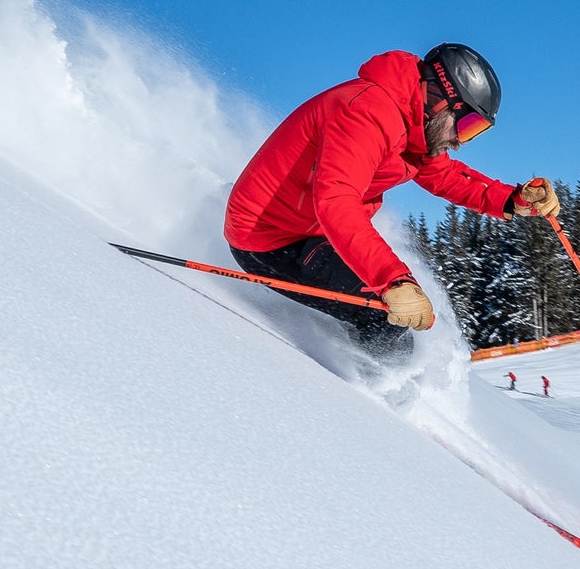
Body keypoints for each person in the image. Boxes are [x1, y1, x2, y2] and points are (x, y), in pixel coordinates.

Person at [224, 44, 559, 353]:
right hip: (270, 238)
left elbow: (442, 174)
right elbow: (337, 200)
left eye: (474, 132)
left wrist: (512, 199)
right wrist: (393, 280)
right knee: (385, 318)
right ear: (439, 99)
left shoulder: (412, 126)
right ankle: (375, 409)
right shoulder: (367, 113)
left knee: (384, 315)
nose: (460, 141)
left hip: (312, 233)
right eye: (466, 124)